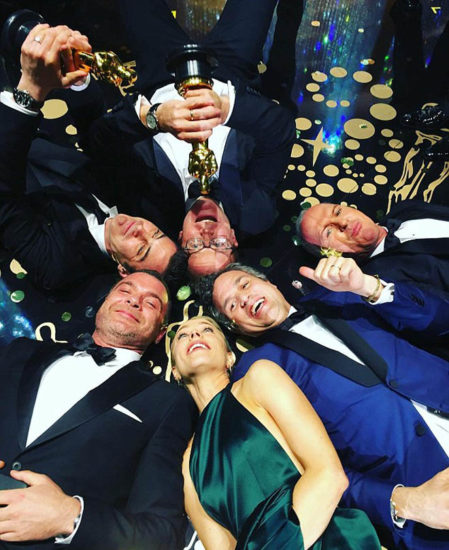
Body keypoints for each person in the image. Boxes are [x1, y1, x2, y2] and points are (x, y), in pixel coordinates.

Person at [195, 259, 449, 549]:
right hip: (425, 492)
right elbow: (306, 470)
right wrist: (404, 502)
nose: (243, 298)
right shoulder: (256, 374)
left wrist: (370, 287)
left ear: (269, 283)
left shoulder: (342, 292)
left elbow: (440, 322)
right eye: (231, 305)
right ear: (236, 326)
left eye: (244, 284)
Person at [86, 0, 300, 277]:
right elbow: (280, 131)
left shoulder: (147, 213)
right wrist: (227, 109)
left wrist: (153, 118)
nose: (206, 233)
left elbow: (100, 142)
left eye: (196, 246)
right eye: (219, 245)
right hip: (229, 70)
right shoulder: (254, 212)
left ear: (179, 239)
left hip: (161, 70)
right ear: (233, 239)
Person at [0, 269, 196, 549]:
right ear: (102, 304)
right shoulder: (21, 351)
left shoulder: (166, 401)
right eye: (125, 291)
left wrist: (70, 517)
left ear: (160, 333)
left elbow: (161, 532)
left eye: (151, 303)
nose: (134, 301)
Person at [170, 315, 381, 549]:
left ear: (229, 356)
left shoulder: (259, 379)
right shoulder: (188, 464)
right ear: (175, 370)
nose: (194, 335)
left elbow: (329, 476)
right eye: (182, 335)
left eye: (207, 330)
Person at [0, 23, 182, 292]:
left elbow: (4, 202)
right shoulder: (135, 199)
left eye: (142, 249)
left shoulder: (59, 265)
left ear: (124, 270)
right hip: (16, 107)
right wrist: (78, 71)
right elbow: (96, 133)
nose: (140, 230)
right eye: (156, 233)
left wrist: (30, 92)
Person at [296, 200, 449, 299]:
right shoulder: (381, 283)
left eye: (338, 212)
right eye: (328, 232)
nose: (342, 222)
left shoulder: (405, 209)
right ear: (330, 254)